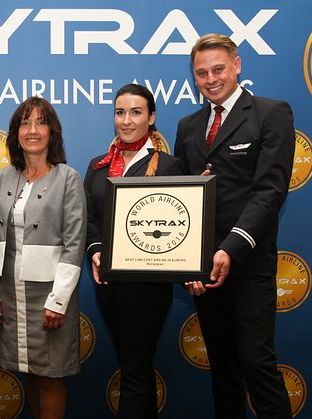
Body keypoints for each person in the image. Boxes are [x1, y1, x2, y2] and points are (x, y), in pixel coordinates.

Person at [174, 34, 295, 419]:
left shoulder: (271, 112)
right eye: (201, 73)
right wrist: (187, 263)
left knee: (257, 365)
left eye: (218, 69)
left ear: (237, 65)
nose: (211, 79)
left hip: (248, 264)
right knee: (223, 370)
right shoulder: (188, 126)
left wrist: (231, 247)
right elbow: (180, 202)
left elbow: (269, 191)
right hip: (205, 271)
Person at [84, 83, 194, 419]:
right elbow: (89, 218)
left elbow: (181, 223)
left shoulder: (169, 166)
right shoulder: (98, 165)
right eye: (120, 112)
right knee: (136, 368)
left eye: (136, 112)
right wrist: (95, 250)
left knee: (134, 369)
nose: (126, 121)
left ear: (151, 117)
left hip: (147, 289)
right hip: (109, 288)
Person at [0, 97, 86, 419]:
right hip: (11, 292)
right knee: (26, 369)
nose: (32, 130)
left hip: (50, 294)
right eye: (24, 123)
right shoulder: (1, 179)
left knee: (50, 375)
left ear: (52, 132)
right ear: (15, 134)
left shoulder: (68, 178)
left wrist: (58, 301)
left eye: (40, 122)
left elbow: (75, 244)